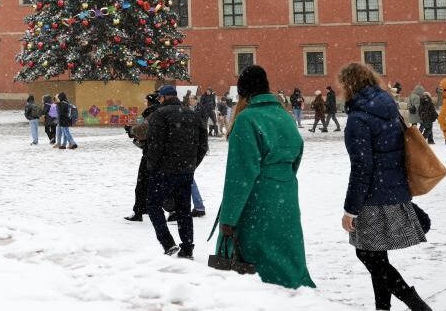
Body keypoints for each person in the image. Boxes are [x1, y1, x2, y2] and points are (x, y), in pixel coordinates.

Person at [338, 62, 431, 311]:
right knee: (377, 254)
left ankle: (416, 305)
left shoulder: (358, 118)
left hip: (372, 197)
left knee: (368, 254)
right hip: (394, 189)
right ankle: (383, 307)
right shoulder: (388, 107)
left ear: (348, 85)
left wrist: (350, 210)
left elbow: (362, 167)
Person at [217, 65, 314, 289]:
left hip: (257, 200)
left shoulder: (247, 119)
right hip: (286, 195)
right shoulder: (285, 116)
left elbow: (240, 174)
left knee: (257, 268)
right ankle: (295, 293)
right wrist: (282, 179)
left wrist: (228, 219)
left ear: (242, 93)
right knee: (286, 256)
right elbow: (297, 153)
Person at [144, 85, 208, 258]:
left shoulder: (159, 115)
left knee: (153, 204)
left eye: (160, 98)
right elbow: (203, 144)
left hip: (164, 171)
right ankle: (187, 248)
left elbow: (154, 144)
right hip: (185, 171)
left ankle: (168, 243)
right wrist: (192, 164)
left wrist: (152, 166)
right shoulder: (192, 114)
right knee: (183, 210)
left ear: (164, 97)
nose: (159, 100)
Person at [125, 92, 162, 221]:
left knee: (143, 182)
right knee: (161, 183)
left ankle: (139, 210)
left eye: (147, 101)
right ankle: (172, 210)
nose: (145, 104)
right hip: (163, 153)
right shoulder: (163, 111)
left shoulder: (151, 112)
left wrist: (131, 130)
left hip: (151, 152)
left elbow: (141, 129)